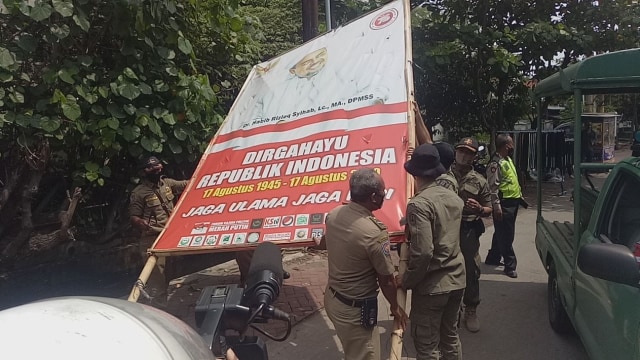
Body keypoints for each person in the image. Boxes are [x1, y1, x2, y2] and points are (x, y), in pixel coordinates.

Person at [313, 168, 407, 360]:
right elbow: (386, 280)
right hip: (356, 313)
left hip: (334, 300)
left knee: (352, 351)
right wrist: (396, 308)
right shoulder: (374, 233)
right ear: (373, 197)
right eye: (383, 193)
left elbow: (326, 240)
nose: (384, 196)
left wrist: (317, 243)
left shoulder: (334, 214)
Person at [129, 156, 229, 307]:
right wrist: (140, 222)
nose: (157, 170)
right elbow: (133, 216)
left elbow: (187, 184)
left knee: (169, 274)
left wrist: (212, 175)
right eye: (152, 168)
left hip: (169, 235)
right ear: (144, 171)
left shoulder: (167, 183)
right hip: (153, 239)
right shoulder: (139, 193)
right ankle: (159, 312)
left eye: (158, 167)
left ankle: (163, 306)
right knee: (157, 281)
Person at [400, 144, 465, 360]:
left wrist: (407, 280)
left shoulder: (419, 204)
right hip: (457, 280)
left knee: (427, 347)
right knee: (450, 338)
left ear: (415, 174)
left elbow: (424, 252)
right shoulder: (454, 198)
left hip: (432, 286)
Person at [450, 137, 492, 333]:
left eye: (469, 152)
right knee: (445, 268)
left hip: (467, 230)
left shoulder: (479, 181)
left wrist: (480, 209)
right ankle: (451, 310)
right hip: (446, 230)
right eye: (461, 151)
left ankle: (471, 309)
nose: (464, 155)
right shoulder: (442, 176)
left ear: (474, 157)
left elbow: (489, 208)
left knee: (470, 270)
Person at [485, 134, 523, 278]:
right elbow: (492, 187)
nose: (513, 146)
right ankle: (510, 265)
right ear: (506, 146)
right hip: (504, 204)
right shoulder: (495, 164)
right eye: (511, 144)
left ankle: (493, 257)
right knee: (507, 235)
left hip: (513, 201)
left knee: (501, 232)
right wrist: (496, 206)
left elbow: (511, 180)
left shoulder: (507, 160)